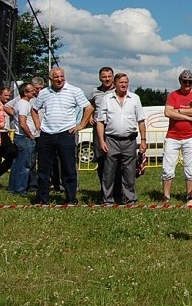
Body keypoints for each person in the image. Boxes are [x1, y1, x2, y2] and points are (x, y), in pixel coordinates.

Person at [31, 67, 94, 205]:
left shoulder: (74, 91)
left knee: (68, 168)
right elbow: (34, 109)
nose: (59, 79)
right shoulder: (44, 93)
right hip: (46, 134)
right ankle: (42, 199)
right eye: (56, 77)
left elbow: (89, 108)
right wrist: (38, 126)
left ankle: (71, 198)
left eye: (61, 77)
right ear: (50, 79)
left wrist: (81, 125)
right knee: (43, 169)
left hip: (66, 133)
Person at [95, 72, 147, 205]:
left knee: (129, 171)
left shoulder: (135, 98)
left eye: (126, 82)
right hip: (111, 139)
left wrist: (143, 140)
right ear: (115, 84)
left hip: (130, 140)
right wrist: (102, 140)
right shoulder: (107, 99)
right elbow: (100, 121)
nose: (123, 85)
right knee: (109, 171)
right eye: (121, 82)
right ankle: (108, 199)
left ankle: (130, 199)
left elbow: (141, 121)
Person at [161, 70, 192, 203]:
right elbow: (168, 112)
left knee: (190, 168)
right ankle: (166, 195)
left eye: (189, 81)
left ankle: (190, 194)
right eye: (184, 81)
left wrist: (179, 111)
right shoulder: (173, 95)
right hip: (173, 136)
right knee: (167, 167)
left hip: (190, 137)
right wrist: (188, 117)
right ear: (180, 81)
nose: (187, 84)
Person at [8, 83, 38, 196]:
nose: (34, 92)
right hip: (24, 137)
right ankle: (20, 189)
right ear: (25, 93)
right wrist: (30, 135)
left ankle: (13, 187)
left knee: (17, 163)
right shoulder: (24, 104)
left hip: (19, 136)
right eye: (31, 91)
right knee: (25, 165)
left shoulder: (19, 103)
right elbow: (22, 122)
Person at [89, 67, 115, 195]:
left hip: (113, 128)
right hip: (99, 128)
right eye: (104, 77)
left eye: (109, 76)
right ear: (100, 78)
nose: (107, 79)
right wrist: (90, 117)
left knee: (114, 159)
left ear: (113, 77)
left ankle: (116, 189)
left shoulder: (118, 90)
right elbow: (91, 107)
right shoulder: (95, 91)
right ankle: (104, 189)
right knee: (101, 159)